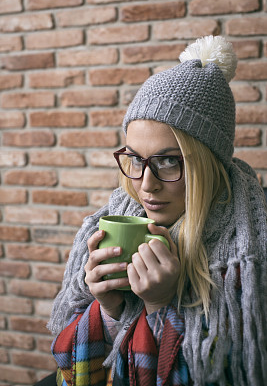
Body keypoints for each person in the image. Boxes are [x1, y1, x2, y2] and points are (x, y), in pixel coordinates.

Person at [47, 35, 267, 386]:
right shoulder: (111, 217)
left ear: (207, 165)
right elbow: (71, 373)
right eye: (134, 159)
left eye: (168, 161)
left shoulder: (250, 254)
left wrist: (159, 306)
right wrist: (108, 309)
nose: (145, 184)